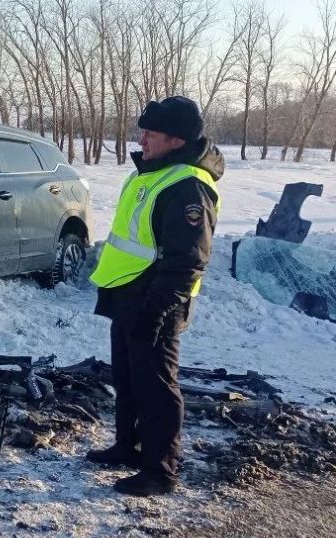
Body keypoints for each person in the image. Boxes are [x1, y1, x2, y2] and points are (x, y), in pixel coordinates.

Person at [85, 95, 222, 497]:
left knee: (157, 387)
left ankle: (160, 470)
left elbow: (187, 261)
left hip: (154, 302)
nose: (142, 138)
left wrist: (156, 311)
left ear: (176, 140)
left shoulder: (188, 188)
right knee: (127, 378)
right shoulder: (153, 172)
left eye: (151, 133)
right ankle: (129, 447)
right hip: (127, 293)